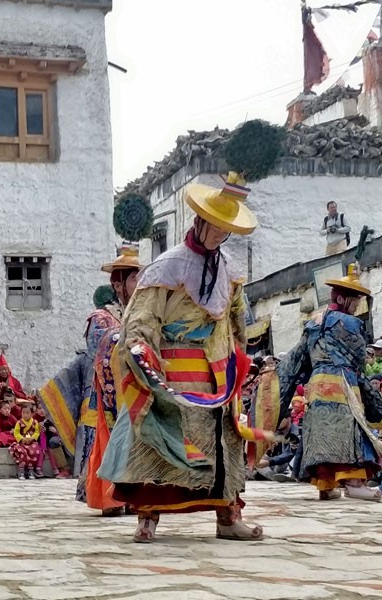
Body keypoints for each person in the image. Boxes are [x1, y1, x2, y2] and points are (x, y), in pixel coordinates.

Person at [98, 173, 265, 543]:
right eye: (216, 228)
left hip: (215, 378)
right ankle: (148, 517)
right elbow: (141, 319)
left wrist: (241, 360)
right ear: (200, 221)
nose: (220, 236)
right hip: (170, 374)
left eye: (227, 230)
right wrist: (143, 358)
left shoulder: (231, 273)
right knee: (158, 440)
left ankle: (227, 516)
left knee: (224, 445)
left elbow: (237, 324)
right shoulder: (167, 267)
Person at [279, 266, 382, 501]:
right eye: (356, 299)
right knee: (347, 430)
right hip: (343, 382)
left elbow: (298, 358)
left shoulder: (313, 322)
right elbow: (359, 358)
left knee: (321, 431)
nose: (357, 304)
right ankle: (353, 480)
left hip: (317, 384)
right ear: (342, 298)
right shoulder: (350, 323)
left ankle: (326, 484)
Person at [76, 244, 142, 515]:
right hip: (109, 390)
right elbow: (97, 352)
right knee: (110, 440)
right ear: (118, 283)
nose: (140, 282)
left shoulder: (141, 311)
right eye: (134, 277)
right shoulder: (102, 317)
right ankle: (110, 498)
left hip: (136, 386)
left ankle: (138, 496)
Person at [9, 402, 44, 479]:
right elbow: (16, 432)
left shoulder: (35, 422)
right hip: (23, 443)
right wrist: (22, 439)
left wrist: (33, 438)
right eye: (23, 413)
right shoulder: (19, 423)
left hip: (31, 442)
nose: (25, 415)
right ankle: (21, 471)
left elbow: (37, 432)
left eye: (27, 413)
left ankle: (31, 470)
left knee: (35, 450)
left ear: (31, 413)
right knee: (21, 451)